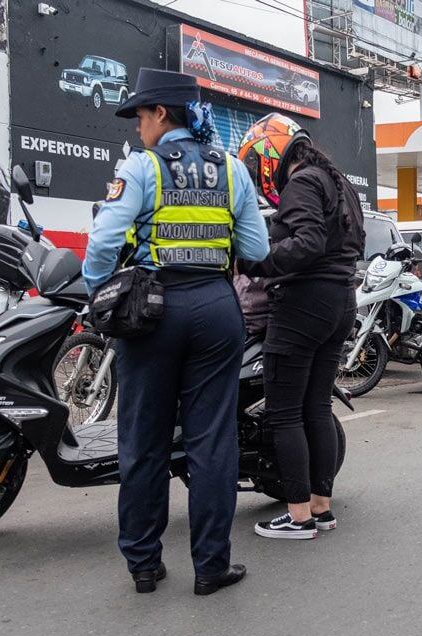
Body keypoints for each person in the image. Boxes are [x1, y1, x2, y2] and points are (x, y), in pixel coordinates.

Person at [82, 68, 270, 595]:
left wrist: (101, 292)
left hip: (151, 310)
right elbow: (256, 253)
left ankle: (144, 564)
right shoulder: (232, 170)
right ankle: (212, 567)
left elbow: (101, 244)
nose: (139, 127)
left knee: (143, 440)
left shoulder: (142, 167)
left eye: (141, 115)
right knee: (212, 441)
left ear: (162, 114)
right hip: (215, 308)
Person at [238, 113, 364, 540]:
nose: (259, 174)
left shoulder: (302, 183)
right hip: (340, 302)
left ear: (272, 152)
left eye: (257, 163)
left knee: (284, 413)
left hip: (304, 305)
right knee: (316, 408)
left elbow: (307, 243)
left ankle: (297, 516)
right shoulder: (337, 181)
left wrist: (257, 263)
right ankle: (320, 508)